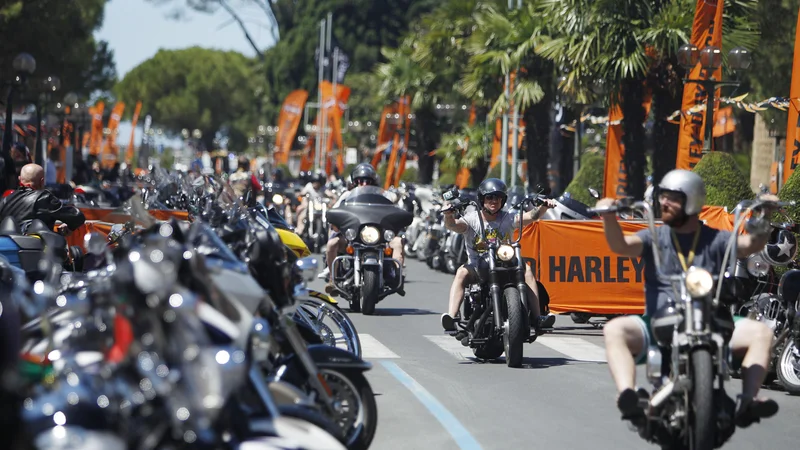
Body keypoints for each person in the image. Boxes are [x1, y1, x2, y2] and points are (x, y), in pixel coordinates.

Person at [595, 169, 779, 428]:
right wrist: (609, 217)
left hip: (712, 320)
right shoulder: (654, 237)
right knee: (614, 329)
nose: (663, 202)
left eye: (672, 198)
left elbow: (750, 244)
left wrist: (765, 215)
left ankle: (749, 399)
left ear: (691, 201)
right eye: (663, 197)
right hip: (661, 321)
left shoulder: (715, 239)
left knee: (761, 333)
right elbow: (620, 246)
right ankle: (629, 393)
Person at [440, 178, 557, 334]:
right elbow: (453, 225)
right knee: (461, 272)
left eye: (498, 197)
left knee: (527, 270)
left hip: (506, 263)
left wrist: (544, 207)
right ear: (482, 199)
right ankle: (452, 317)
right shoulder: (472, 219)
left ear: (503, 199)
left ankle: (538, 318)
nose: (494, 200)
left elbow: (532, 216)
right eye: (490, 197)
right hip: (478, 265)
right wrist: (448, 215)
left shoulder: (508, 217)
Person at [323, 163, 405, 295]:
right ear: (355, 182)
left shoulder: (384, 195)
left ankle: (396, 276)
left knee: (398, 242)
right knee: (331, 244)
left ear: (373, 181)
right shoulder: (346, 195)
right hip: (352, 236)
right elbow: (334, 212)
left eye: (368, 180)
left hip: (379, 237)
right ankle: (333, 279)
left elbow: (396, 204)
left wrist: (399, 198)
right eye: (360, 180)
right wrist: (333, 217)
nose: (364, 183)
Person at [0, 163, 85, 233]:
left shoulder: (5, 199)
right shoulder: (44, 198)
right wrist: (68, 227)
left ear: (20, 179)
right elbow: (77, 216)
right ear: (42, 182)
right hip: (35, 250)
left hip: (7, 251)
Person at [295, 170, 327, 236]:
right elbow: (303, 192)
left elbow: (328, 193)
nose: (315, 184)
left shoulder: (322, 189)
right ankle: (299, 230)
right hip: (310, 207)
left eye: (317, 182)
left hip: (320, 207)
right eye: (314, 182)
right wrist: (301, 194)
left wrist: (333, 196)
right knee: (302, 215)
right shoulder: (309, 186)